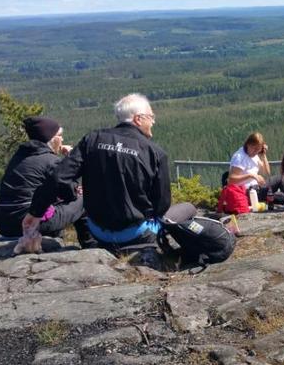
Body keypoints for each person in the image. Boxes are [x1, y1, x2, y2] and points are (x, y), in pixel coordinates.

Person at [22, 93, 193, 252]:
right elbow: (161, 205)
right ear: (138, 119)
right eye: (151, 117)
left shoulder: (92, 140)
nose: (153, 121)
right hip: (136, 234)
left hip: (98, 232)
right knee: (189, 209)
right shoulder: (154, 152)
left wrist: (35, 212)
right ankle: (181, 254)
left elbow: (58, 177)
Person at [0, 116, 92, 244]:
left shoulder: (19, 156)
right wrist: (70, 159)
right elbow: (69, 193)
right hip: (28, 222)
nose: (62, 139)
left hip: (3, 223)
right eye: (59, 135)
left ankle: (54, 239)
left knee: (49, 200)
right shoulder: (50, 160)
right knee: (83, 199)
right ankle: (90, 245)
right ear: (52, 139)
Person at [229, 132, 271, 202]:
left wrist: (263, 155)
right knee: (280, 183)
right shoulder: (240, 157)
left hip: (256, 189)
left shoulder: (255, 155)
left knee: (280, 195)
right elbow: (231, 180)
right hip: (247, 192)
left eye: (258, 149)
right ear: (248, 144)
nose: (256, 152)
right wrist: (251, 176)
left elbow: (267, 172)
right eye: (254, 148)